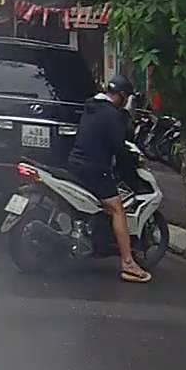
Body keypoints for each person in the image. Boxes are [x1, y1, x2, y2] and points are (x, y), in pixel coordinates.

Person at [68, 75, 151, 283]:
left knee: (100, 204)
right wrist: (129, 166)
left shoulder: (91, 106)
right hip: (95, 168)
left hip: (76, 164)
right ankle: (128, 263)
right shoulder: (111, 114)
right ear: (122, 96)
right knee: (117, 209)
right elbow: (118, 146)